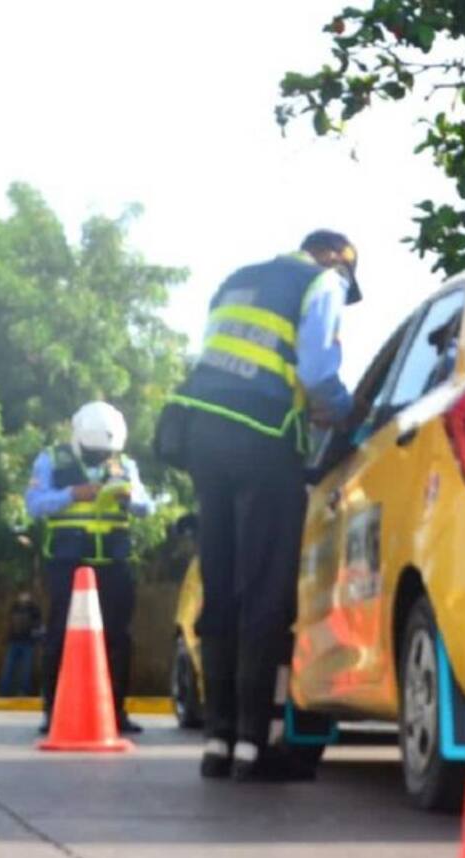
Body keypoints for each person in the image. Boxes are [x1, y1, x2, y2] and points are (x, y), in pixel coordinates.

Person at [166, 230, 357, 780]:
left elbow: (235, 364)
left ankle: (217, 744)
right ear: (334, 259)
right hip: (263, 440)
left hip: (203, 437)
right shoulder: (319, 281)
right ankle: (253, 744)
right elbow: (317, 371)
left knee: (220, 587)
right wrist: (344, 411)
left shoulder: (237, 281)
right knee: (264, 591)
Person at [25, 401, 152, 735]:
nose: (101, 458)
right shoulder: (52, 460)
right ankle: (53, 710)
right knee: (59, 636)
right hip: (69, 564)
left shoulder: (125, 464)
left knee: (118, 638)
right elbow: (35, 504)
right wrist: (72, 494)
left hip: (114, 563)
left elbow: (146, 505)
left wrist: (130, 500)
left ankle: (116, 711)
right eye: (94, 453)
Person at [0, 592, 43, 697]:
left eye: (25, 595)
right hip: (14, 641)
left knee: (26, 670)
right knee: (8, 668)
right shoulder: (14, 607)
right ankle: (4, 691)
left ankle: (24, 692)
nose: (23, 597)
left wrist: (35, 636)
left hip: (27, 642)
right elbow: (9, 623)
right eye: (21, 595)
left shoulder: (34, 609)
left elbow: (38, 625)